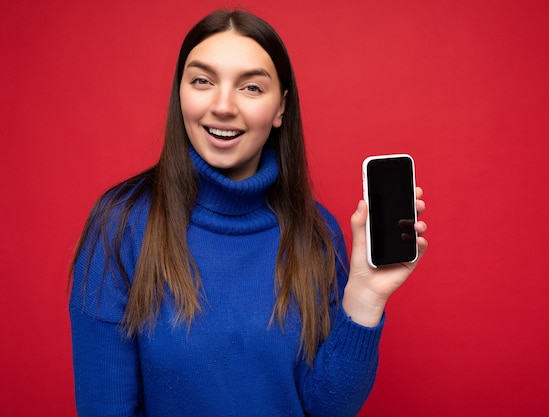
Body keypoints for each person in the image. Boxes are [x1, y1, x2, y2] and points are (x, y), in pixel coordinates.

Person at [69, 9, 428, 417]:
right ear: (180, 94)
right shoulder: (120, 225)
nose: (222, 106)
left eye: (251, 88)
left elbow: (326, 408)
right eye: (202, 81)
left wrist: (365, 296)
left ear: (280, 110)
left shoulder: (316, 232)